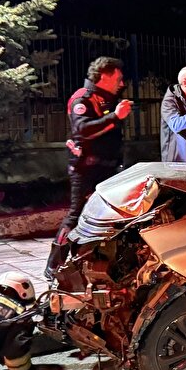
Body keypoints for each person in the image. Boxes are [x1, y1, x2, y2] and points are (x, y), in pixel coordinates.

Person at [45, 56, 133, 279]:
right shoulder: (82, 98)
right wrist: (116, 116)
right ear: (104, 75)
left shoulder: (108, 99)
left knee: (109, 217)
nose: (122, 84)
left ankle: (97, 262)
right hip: (87, 170)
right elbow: (82, 130)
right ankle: (54, 266)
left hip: (108, 168)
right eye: (118, 79)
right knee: (76, 216)